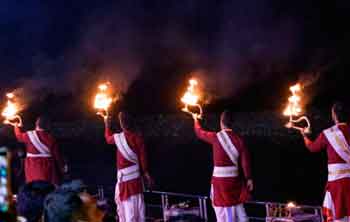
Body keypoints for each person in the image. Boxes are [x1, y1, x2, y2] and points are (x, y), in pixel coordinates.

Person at [192, 111, 253, 222]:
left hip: (219, 183)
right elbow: (245, 162)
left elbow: (199, 132)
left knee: (221, 211)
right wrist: (249, 178)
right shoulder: (240, 140)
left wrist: (195, 120)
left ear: (221, 122)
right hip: (234, 181)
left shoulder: (216, 137)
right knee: (236, 204)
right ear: (232, 124)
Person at [299, 102, 350, 222]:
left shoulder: (328, 133)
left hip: (337, 182)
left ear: (334, 115)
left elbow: (312, 147)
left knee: (339, 215)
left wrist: (305, 136)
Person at [103, 112, 153, 222]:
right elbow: (143, 160)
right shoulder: (138, 138)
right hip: (135, 180)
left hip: (124, 182)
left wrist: (106, 124)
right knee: (137, 207)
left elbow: (107, 138)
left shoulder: (117, 138)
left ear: (121, 124)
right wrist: (146, 174)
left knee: (127, 209)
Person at [8, 116, 66, 185]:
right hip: (47, 165)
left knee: (33, 185)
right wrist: (62, 167)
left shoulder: (29, 135)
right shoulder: (51, 139)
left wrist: (16, 126)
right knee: (47, 185)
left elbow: (19, 136)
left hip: (32, 164)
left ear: (36, 124)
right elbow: (57, 156)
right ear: (48, 126)